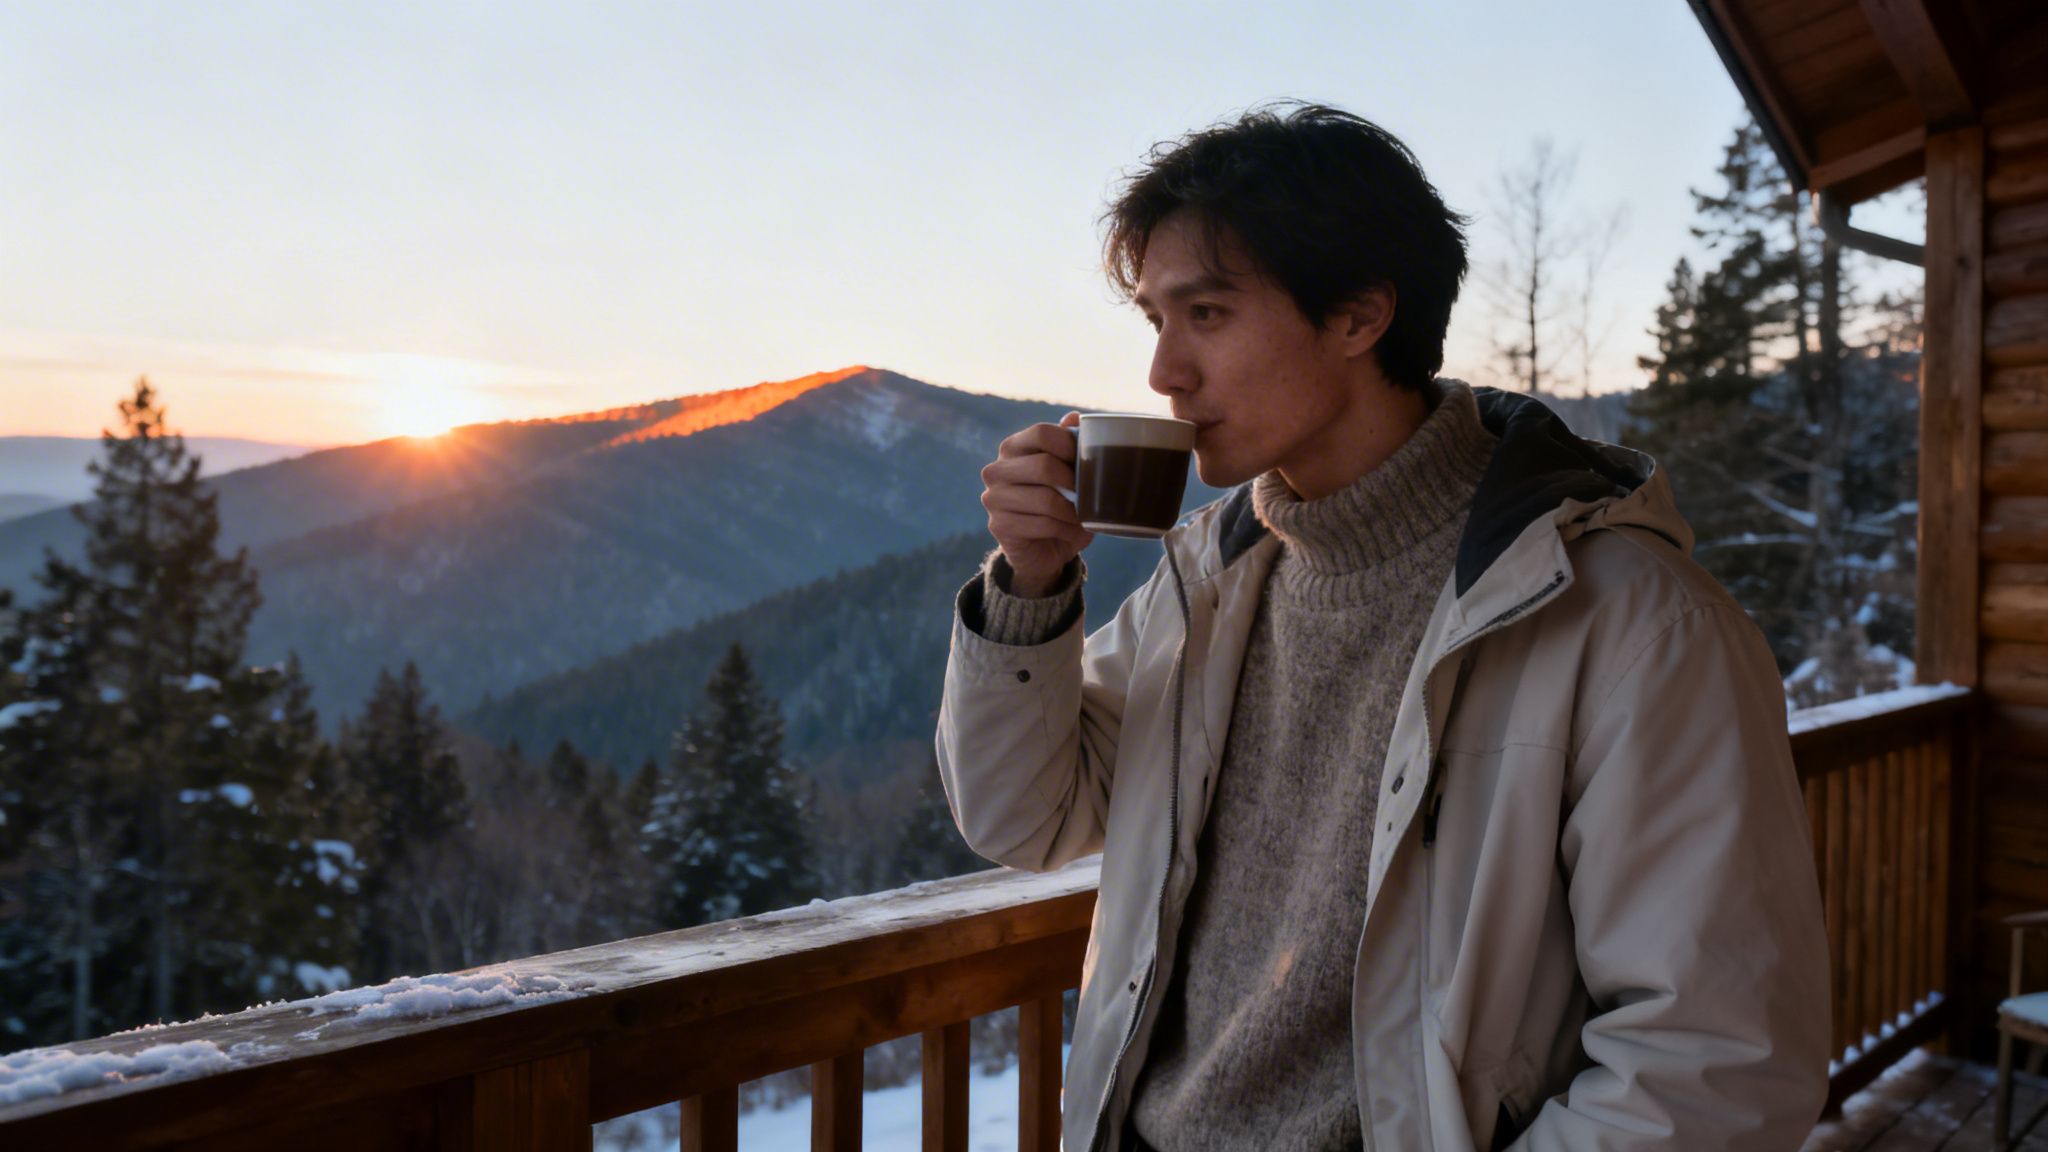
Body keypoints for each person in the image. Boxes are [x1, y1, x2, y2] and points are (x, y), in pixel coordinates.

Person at [935, 103, 1830, 1151]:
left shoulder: (1630, 621)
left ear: (1358, 318)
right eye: (1154, 321)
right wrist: (1030, 587)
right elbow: (1023, 818)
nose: (1162, 373)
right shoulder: (1206, 581)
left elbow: (1713, 1066)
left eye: (1207, 315)